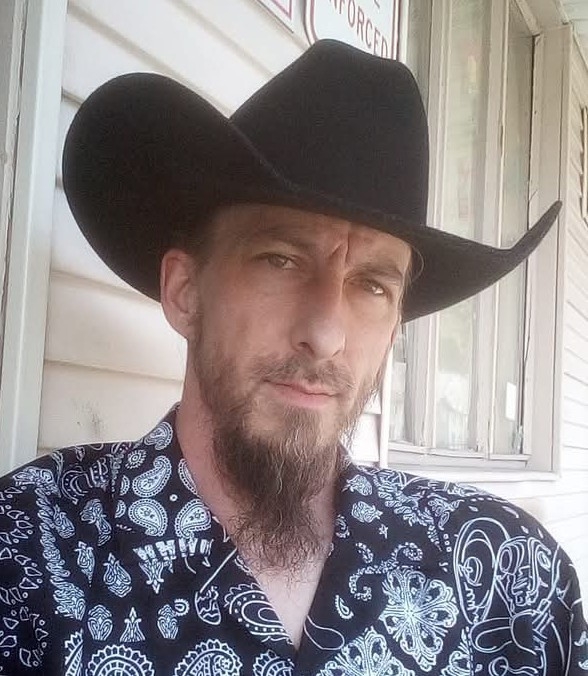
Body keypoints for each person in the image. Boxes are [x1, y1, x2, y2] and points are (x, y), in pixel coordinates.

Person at [0, 39, 585, 676]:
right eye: (280, 260)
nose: (326, 335)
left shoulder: (507, 580)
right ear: (186, 291)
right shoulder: (30, 556)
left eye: (373, 286)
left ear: (395, 327)